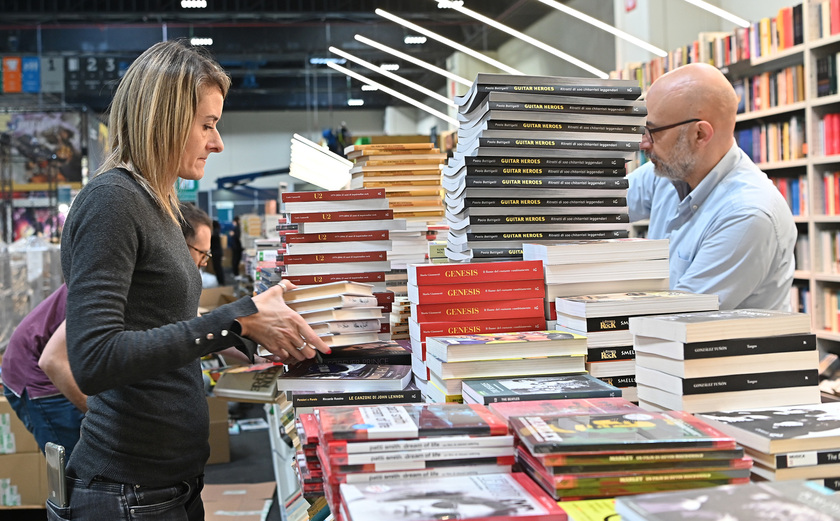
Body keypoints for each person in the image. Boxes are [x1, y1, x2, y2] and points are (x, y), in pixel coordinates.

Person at [54, 40, 329, 520]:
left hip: (167, 482)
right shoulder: (111, 202)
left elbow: (160, 325)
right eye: (207, 125)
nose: (217, 141)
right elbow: (94, 359)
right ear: (162, 118)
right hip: (129, 491)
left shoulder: (155, 203)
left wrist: (263, 328)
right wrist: (236, 321)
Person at [1, 202, 232, 460]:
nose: (203, 263)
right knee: (80, 467)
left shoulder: (166, 281)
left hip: (61, 361)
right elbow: (52, 360)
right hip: (37, 373)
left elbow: (197, 324)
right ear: (176, 244)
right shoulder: (127, 278)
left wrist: (251, 342)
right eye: (202, 253)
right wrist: (104, 418)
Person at [627, 62, 797, 311]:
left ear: (700, 135)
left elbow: (678, 315)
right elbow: (594, 204)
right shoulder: (669, 170)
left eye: (653, 132)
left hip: (718, 347)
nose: (643, 143)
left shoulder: (748, 215)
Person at [209, 219, 225, 285]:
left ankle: (221, 281)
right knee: (218, 268)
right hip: (217, 252)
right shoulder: (217, 231)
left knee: (218, 268)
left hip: (216, 253)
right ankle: (221, 281)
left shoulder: (214, 233)